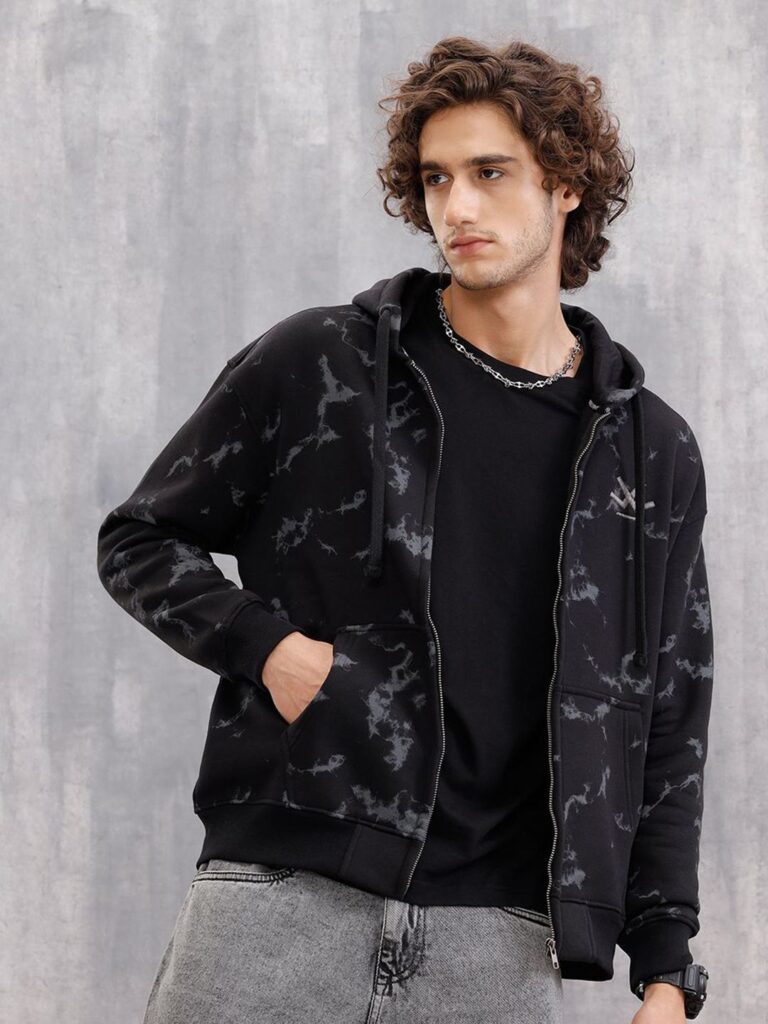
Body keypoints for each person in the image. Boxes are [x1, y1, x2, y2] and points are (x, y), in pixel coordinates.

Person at [97, 35, 713, 1024]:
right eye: (435, 178)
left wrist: (668, 968)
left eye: (490, 173)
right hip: (282, 901)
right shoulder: (324, 364)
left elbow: (671, 715)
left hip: (499, 943)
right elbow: (139, 538)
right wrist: (272, 651)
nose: (456, 207)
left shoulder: (650, 452)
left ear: (566, 185)